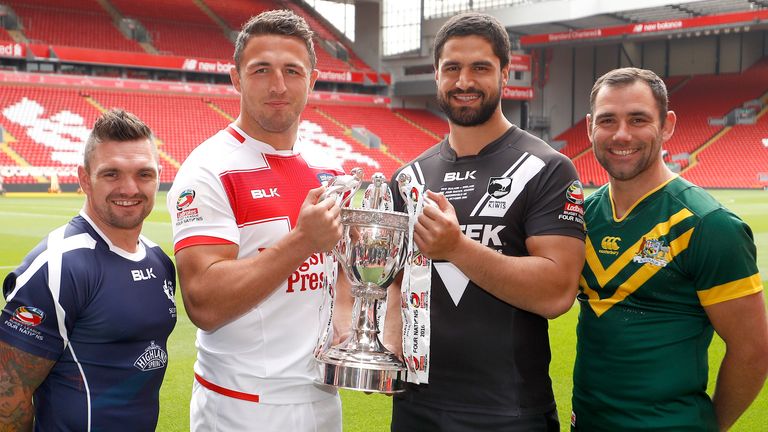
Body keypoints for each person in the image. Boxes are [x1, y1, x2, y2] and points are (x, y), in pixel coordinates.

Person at [387, 12, 586, 431]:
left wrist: (457, 248)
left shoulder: (548, 168)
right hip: (414, 406)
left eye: (480, 67)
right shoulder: (408, 178)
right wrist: (387, 347)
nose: (464, 82)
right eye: (452, 68)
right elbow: (395, 282)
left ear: (504, 73)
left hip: (507, 412)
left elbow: (556, 292)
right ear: (436, 75)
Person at [167, 9, 349, 432]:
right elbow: (204, 303)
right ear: (236, 78)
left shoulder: (329, 169)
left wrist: (344, 311)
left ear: (313, 80)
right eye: (261, 69)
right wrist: (302, 241)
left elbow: (342, 264)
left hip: (323, 397)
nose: (279, 85)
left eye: (292, 70)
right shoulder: (209, 169)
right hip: (243, 405)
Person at [572, 67, 768, 431]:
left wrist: (707, 424)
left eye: (638, 119)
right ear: (589, 127)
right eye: (607, 120)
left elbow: (753, 352)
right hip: (586, 422)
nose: (621, 134)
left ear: (667, 125)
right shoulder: (582, 216)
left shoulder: (711, 225)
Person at [0, 109, 176, 431]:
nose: (129, 188)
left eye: (144, 174)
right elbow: (7, 396)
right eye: (112, 174)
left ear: (158, 177)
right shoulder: (57, 265)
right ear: (84, 179)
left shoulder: (160, 262)